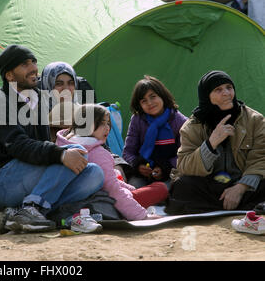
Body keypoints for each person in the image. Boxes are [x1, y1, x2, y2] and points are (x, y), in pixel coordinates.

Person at [0, 45, 105, 233]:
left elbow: (45, 146)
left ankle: (21, 213)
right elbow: (19, 146)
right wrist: (60, 155)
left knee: (94, 173)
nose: (33, 67)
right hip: (1, 181)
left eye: (34, 62)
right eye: (25, 64)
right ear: (10, 76)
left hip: (31, 177)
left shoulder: (38, 101)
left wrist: (62, 155)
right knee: (67, 154)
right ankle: (33, 209)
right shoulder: (0, 103)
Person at [165, 70, 265, 214]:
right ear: (206, 96)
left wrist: (240, 187)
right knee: (182, 186)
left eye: (229, 88)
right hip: (210, 186)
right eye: (218, 90)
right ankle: (244, 206)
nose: (226, 93)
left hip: (244, 186)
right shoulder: (193, 125)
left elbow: (260, 158)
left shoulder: (254, 120)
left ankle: (230, 204)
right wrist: (211, 143)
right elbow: (184, 165)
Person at [56, 104, 168, 221]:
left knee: (135, 187)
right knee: (161, 188)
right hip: (103, 203)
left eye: (108, 123)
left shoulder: (63, 147)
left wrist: (130, 188)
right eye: (102, 123)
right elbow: (113, 190)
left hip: (68, 201)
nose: (107, 128)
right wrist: (142, 216)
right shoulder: (98, 153)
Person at [40, 61, 132, 180]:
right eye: (59, 83)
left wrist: (117, 164)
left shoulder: (84, 112)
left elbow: (102, 146)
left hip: (96, 168)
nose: (66, 89)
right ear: (48, 85)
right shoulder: (37, 117)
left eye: (71, 83)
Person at [122, 75, 188, 189]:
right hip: (142, 174)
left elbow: (185, 155)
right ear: (139, 105)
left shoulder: (179, 120)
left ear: (162, 96)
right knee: (134, 188)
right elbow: (128, 152)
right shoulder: (137, 120)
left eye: (153, 97)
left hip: (171, 172)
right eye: (144, 101)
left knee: (168, 190)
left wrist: (164, 168)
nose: (150, 103)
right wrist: (138, 166)